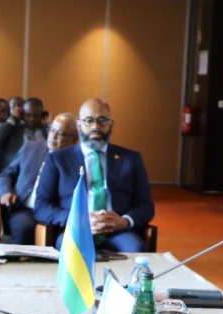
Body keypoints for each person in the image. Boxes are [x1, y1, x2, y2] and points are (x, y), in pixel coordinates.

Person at [34, 98, 154, 252]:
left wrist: (125, 221)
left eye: (102, 120)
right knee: (71, 251)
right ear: (79, 125)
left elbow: (146, 206)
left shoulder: (131, 159)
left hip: (118, 231)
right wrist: (78, 220)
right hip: (75, 230)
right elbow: (41, 206)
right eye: (88, 121)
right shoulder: (58, 159)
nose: (95, 126)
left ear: (111, 125)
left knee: (136, 249)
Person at [0, 113, 79, 244]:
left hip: (54, 212)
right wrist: (6, 191)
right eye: (52, 130)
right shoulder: (30, 148)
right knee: (24, 227)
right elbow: (6, 174)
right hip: (24, 209)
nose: (53, 136)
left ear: (75, 139)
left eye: (61, 133)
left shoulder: (75, 161)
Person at [0, 96, 49, 179]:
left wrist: (49, 125)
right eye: (28, 115)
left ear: (41, 115)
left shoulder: (47, 131)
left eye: (36, 116)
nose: (32, 119)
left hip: (40, 177)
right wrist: (13, 118)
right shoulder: (12, 128)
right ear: (22, 114)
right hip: (13, 177)